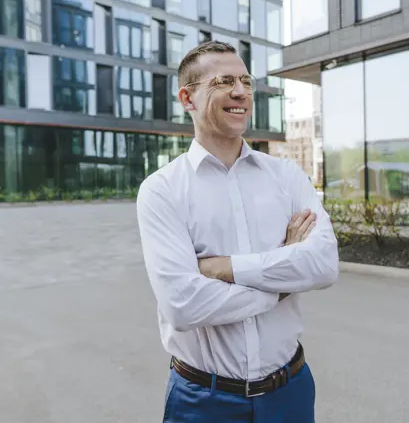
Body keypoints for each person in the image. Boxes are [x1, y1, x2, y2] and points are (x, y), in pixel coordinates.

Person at [136, 40, 339, 423]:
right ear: (188, 98)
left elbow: (324, 264)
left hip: (289, 393)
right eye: (224, 81)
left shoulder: (287, 176)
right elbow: (183, 305)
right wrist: (282, 280)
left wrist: (226, 267)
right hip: (202, 401)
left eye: (246, 80)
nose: (241, 92)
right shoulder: (162, 190)